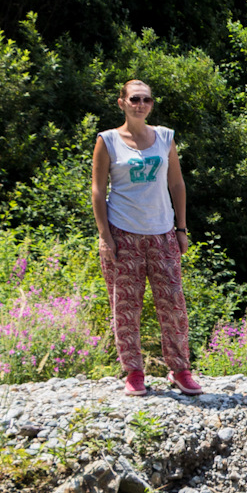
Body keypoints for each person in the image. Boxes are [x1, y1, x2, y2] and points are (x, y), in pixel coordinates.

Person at [91, 78, 202, 397]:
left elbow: (177, 185)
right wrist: (105, 235)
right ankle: (134, 372)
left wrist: (181, 229)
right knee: (126, 306)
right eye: (135, 99)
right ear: (122, 102)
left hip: (162, 232)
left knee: (173, 304)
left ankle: (180, 370)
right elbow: (98, 190)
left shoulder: (165, 137)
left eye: (147, 100)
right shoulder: (108, 140)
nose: (141, 105)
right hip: (123, 233)